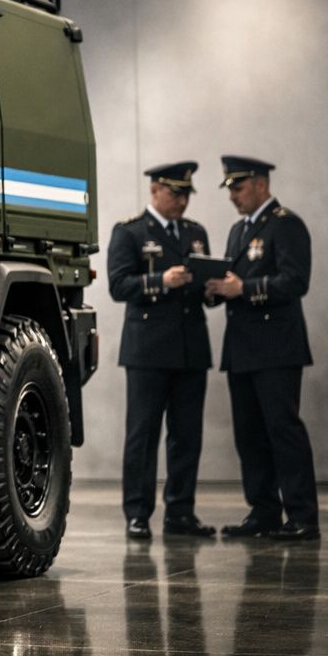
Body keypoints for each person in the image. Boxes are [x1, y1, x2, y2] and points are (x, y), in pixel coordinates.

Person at [206, 156, 319, 540]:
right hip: (241, 349)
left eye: (238, 188)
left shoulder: (285, 224)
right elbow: (232, 281)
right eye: (230, 190)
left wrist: (245, 289)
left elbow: (296, 281)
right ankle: (264, 511)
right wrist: (214, 289)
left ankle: (303, 516)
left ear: (260, 184)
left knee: (283, 431)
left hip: (276, 348)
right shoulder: (239, 231)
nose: (233, 197)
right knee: (249, 435)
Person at [106, 161, 215, 540]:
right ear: (155, 190)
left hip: (190, 348)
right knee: (143, 435)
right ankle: (137, 513)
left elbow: (203, 288)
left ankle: (181, 512)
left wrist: (213, 289)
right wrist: (161, 280)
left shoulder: (196, 233)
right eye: (175, 193)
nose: (182, 201)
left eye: (186, 194)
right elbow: (118, 286)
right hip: (148, 351)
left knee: (187, 437)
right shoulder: (130, 232)